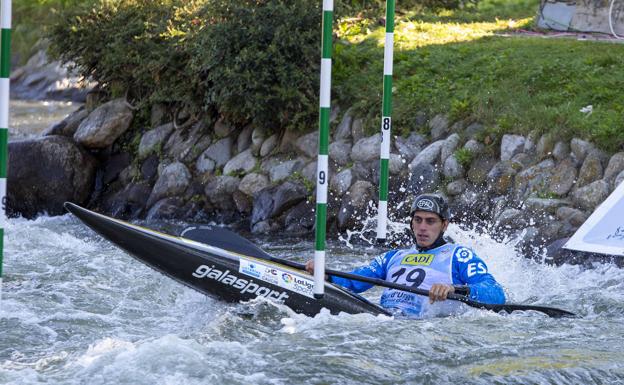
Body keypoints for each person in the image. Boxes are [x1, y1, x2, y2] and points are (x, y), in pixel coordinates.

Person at [305, 193, 506, 318]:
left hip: (424, 330)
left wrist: (453, 289)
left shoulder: (459, 255)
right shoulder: (393, 256)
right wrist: (327, 276)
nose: (422, 228)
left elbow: (496, 293)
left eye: (430, 221)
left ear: (444, 225)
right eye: (417, 220)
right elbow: (354, 280)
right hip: (384, 320)